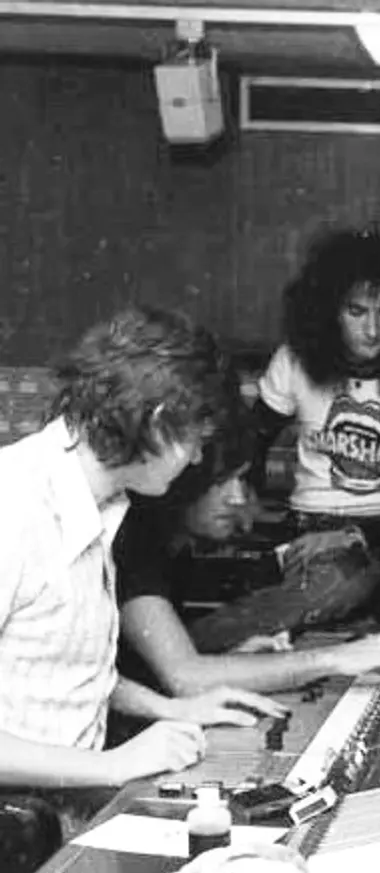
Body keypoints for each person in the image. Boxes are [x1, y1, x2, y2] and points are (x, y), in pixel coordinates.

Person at [0, 306, 284, 800]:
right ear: (157, 422)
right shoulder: (15, 506)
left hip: (64, 806)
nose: (197, 458)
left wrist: (170, 709)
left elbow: (66, 676)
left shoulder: (99, 505)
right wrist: (113, 765)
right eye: (195, 440)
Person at [115, 393, 380, 701]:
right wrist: (334, 658)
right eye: (222, 481)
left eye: (241, 481)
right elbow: (186, 676)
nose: (238, 498)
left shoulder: (169, 545)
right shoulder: (134, 543)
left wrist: (233, 656)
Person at [251, 227, 380, 619]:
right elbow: (250, 440)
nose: (373, 330)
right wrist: (249, 500)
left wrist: (352, 537)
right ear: (328, 311)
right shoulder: (294, 361)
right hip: (307, 531)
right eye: (356, 312)